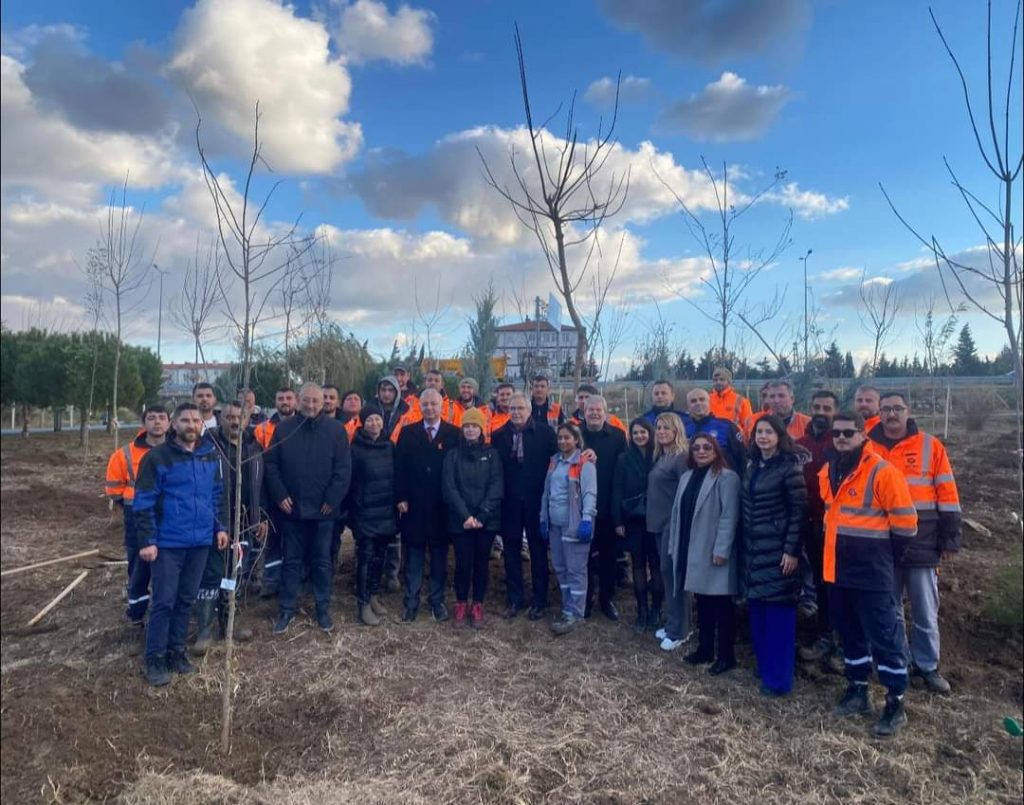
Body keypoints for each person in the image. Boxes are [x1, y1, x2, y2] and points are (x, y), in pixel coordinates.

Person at [821, 411, 917, 738]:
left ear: (864, 435)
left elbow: (905, 525)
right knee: (850, 633)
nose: (842, 438)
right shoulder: (829, 470)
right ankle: (857, 690)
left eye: (849, 432)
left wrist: (884, 558)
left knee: (884, 637)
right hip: (837, 569)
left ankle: (895, 702)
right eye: (837, 433)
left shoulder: (883, 472)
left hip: (872, 572)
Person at [868, 391, 960, 694]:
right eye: (886, 409)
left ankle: (927, 666)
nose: (891, 414)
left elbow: (947, 493)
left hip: (923, 541)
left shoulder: (930, 446)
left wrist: (949, 538)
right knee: (888, 607)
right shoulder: (868, 445)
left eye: (897, 408)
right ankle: (898, 662)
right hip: (882, 541)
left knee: (925, 608)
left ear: (908, 411)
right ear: (878, 413)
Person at [133, 403, 229, 686]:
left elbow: (216, 495)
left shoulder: (209, 455)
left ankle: (177, 652)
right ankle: (155, 658)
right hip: (167, 544)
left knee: (186, 599)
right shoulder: (158, 458)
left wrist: (220, 528)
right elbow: (144, 501)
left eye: (196, 420)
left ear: (202, 424)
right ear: (174, 424)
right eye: (185, 420)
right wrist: (148, 540)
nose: (191, 425)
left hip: (199, 542)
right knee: (164, 601)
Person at [265, 383, 352, 635]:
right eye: (307, 401)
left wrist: (333, 499)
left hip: (324, 512)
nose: (311, 406)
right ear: (298, 402)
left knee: (322, 562)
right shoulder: (284, 429)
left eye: (316, 401)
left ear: (324, 403)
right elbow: (271, 465)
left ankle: (322, 608)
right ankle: (287, 609)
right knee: (291, 561)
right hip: (292, 510)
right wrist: (280, 494)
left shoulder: (336, 431)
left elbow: (343, 469)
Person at [193, 401, 266, 653]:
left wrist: (260, 517)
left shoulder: (254, 448)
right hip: (215, 524)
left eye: (240, 417)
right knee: (211, 575)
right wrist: (214, 523)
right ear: (219, 418)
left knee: (233, 575)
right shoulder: (207, 447)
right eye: (229, 416)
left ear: (247, 419)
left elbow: (260, 485)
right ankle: (205, 629)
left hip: (244, 524)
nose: (234, 421)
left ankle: (229, 624)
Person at [742, 415, 807, 695]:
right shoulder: (753, 465)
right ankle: (764, 666)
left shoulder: (789, 467)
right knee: (758, 612)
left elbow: (799, 512)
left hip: (779, 550)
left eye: (769, 432)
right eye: (759, 432)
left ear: (780, 436)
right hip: (754, 549)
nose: (763, 436)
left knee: (778, 614)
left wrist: (791, 550)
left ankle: (778, 680)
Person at [676, 434, 742, 676]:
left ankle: (726, 655)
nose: (701, 451)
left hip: (714, 550)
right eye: (696, 448)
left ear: (716, 451)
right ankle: (704, 649)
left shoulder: (727, 478)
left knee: (721, 605)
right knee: (702, 602)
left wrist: (721, 549)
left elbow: (729, 515)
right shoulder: (687, 477)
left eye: (707, 448)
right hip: (694, 547)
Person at [395, 388, 460, 621]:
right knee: (413, 555)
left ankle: (436, 601)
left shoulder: (454, 434)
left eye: (433, 404)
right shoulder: (408, 433)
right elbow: (399, 468)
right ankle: (411, 602)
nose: (429, 408)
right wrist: (400, 497)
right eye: (425, 404)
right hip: (413, 506)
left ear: (441, 406)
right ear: (419, 406)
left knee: (439, 557)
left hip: (441, 507)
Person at [491, 392, 557, 620]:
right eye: (513, 409)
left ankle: (540, 599)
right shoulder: (499, 436)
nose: (516, 413)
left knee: (538, 551)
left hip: (536, 501)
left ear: (530, 411)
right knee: (511, 551)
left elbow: (559, 461)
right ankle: (514, 598)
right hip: (509, 502)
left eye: (521, 408)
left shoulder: (546, 434)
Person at [105, 406, 169, 624]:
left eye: (162, 418)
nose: (157, 422)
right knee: (139, 568)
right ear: (144, 424)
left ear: (169, 423)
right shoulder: (124, 454)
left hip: (171, 519)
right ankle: (137, 612)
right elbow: (114, 490)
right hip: (136, 519)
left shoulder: (178, 450)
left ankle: (163, 610)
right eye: (152, 418)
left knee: (167, 565)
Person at [443, 409, 504, 628]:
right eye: (467, 425)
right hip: (461, 521)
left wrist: (482, 515)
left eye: (474, 426)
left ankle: (477, 603)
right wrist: (466, 516)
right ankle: (461, 602)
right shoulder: (453, 455)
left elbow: (496, 486)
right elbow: (449, 487)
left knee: (481, 563)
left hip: (485, 522)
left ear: (481, 430)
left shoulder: (492, 454)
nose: (470, 429)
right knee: (462, 563)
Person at [796, 390, 844, 671]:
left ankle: (838, 639)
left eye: (827, 407)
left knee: (836, 583)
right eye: (817, 406)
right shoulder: (800, 445)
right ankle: (825, 634)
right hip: (809, 523)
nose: (821, 411)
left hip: (837, 527)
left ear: (835, 411)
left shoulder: (839, 443)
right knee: (819, 580)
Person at [540, 422, 598, 635]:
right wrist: (543, 517)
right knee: (561, 567)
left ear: (576, 440)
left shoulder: (585, 463)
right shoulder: (554, 462)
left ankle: (576, 613)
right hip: (555, 525)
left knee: (576, 570)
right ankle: (567, 607)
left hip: (574, 525)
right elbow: (547, 492)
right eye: (560, 438)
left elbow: (589, 494)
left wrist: (587, 519)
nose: (563, 441)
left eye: (567, 438)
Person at [579, 394, 628, 619]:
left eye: (599, 410)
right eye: (591, 410)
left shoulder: (618, 437)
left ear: (605, 412)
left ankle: (606, 600)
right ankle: (585, 600)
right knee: (583, 558)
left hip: (608, 507)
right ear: (584, 412)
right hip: (581, 509)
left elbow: (622, 475)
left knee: (608, 558)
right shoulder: (575, 435)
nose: (595, 413)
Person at [348, 404, 398, 626]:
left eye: (377, 419)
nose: (374, 424)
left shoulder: (390, 446)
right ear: (362, 422)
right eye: (369, 420)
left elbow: (397, 476)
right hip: (365, 512)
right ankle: (363, 602)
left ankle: (375, 594)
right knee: (365, 558)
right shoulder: (355, 448)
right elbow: (350, 481)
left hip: (386, 511)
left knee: (380, 556)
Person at [611, 418, 658, 631]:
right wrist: (617, 520)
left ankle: (656, 609)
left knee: (656, 565)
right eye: (636, 432)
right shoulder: (623, 458)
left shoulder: (659, 456)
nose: (640, 436)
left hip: (657, 517)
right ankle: (642, 610)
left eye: (643, 432)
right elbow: (617, 489)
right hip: (634, 518)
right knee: (638, 564)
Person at [648, 413, 690, 647]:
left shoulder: (681, 457)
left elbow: (685, 492)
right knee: (667, 574)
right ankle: (674, 622)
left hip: (671, 524)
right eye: (659, 428)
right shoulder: (661, 456)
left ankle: (679, 630)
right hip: (658, 522)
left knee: (673, 574)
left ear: (677, 431)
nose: (662, 431)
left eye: (667, 428)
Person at [252, 386, 296, 596]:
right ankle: (271, 581)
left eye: (289, 398)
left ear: (295, 401)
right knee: (273, 540)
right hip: (271, 492)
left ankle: (294, 582)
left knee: (296, 540)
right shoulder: (261, 429)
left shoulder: (303, 425)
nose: (285, 401)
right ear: (275, 401)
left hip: (298, 492)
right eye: (281, 398)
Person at [680, 388, 746, 473]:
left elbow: (741, 457)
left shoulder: (727, 426)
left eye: (702, 399)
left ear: (709, 402)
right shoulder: (683, 429)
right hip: (693, 479)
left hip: (721, 479)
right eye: (693, 401)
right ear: (688, 407)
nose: (698, 403)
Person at [709, 367, 754, 433]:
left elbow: (749, 426)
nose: (718, 382)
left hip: (732, 439)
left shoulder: (741, 400)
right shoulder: (706, 399)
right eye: (715, 380)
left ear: (729, 381)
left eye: (722, 380)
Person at [374, 376, 413, 442]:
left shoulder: (407, 411)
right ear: (378, 391)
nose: (386, 394)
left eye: (390, 390)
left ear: (396, 392)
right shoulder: (369, 409)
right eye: (383, 390)